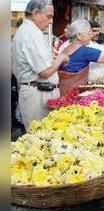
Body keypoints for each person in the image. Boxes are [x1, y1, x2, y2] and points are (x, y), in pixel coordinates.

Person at [12, 0, 69, 129]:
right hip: (37, 93)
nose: (51, 21)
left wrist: (52, 59)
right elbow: (45, 72)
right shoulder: (30, 33)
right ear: (35, 13)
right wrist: (61, 58)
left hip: (39, 91)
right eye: (48, 16)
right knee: (39, 137)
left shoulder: (30, 31)